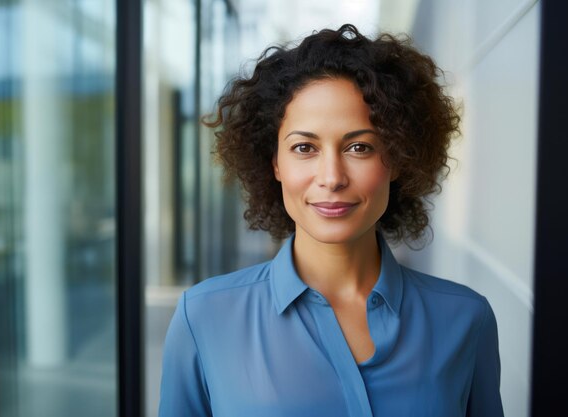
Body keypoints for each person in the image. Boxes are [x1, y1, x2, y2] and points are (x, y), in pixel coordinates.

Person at [158, 24, 504, 417]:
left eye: (360, 147)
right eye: (304, 147)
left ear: (397, 158)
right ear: (274, 163)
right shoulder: (204, 317)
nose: (332, 177)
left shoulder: (464, 319)